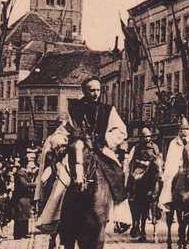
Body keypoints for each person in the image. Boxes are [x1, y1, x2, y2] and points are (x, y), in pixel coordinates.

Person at [36, 77, 130, 230]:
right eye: (92, 90)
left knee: (116, 173)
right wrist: (60, 141)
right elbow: (63, 130)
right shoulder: (74, 108)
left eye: (98, 90)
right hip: (78, 148)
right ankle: (53, 217)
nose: (95, 93)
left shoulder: (108, 110)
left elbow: (121, 130)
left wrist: (106, 138)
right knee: (62, 178)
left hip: (100, 148)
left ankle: (120, 217)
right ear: (84, 91)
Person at [159, 116, 189, 212]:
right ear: (179, 130)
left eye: (187, 129)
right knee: (170, 179)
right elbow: (170, 158)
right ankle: (169, 200)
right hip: (178, 166)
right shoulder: (174, 142)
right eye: (183, 129)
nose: (185, 131)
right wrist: (176, 165)